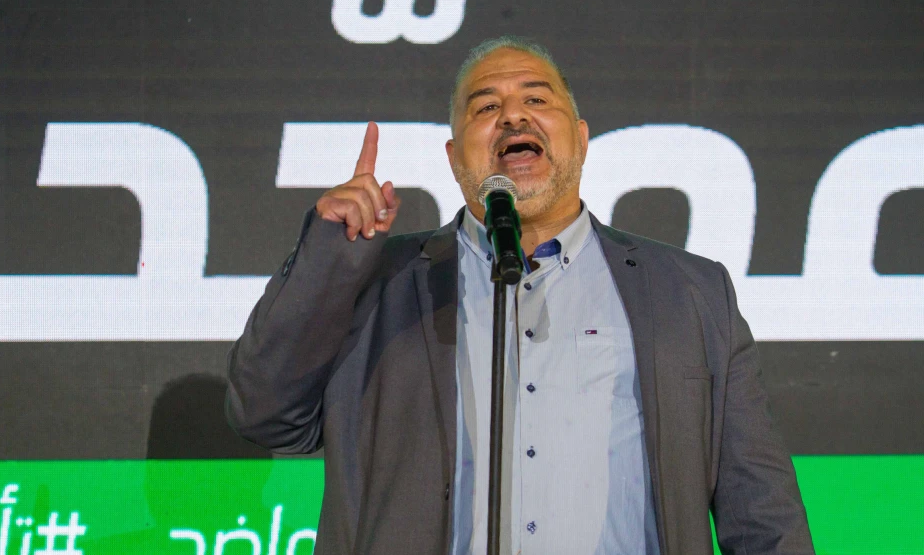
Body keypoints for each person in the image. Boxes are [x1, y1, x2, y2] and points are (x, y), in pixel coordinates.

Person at [226, 36, 814, 554]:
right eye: (486, 106)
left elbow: (761, 511)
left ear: (580, 140)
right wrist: (331, 255)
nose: (513, 117)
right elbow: (266, 415)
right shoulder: (379, 281)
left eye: (537, 99)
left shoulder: (690, 291)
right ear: (456, 159)